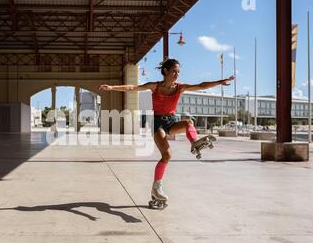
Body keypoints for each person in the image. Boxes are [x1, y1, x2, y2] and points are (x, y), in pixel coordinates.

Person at [99, 58, 234, 208]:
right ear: (165, 71)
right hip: (157, 123)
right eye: (174, 71)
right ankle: (156, 187)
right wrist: (112, 87)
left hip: (171, 121)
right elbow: (133, 87)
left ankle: (195, 142)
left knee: (188, 122)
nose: (176, 74)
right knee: (167, 155)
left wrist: (220, 81)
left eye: (178, 72)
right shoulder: (155, 86)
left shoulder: (180, 88)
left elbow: (201, 85)